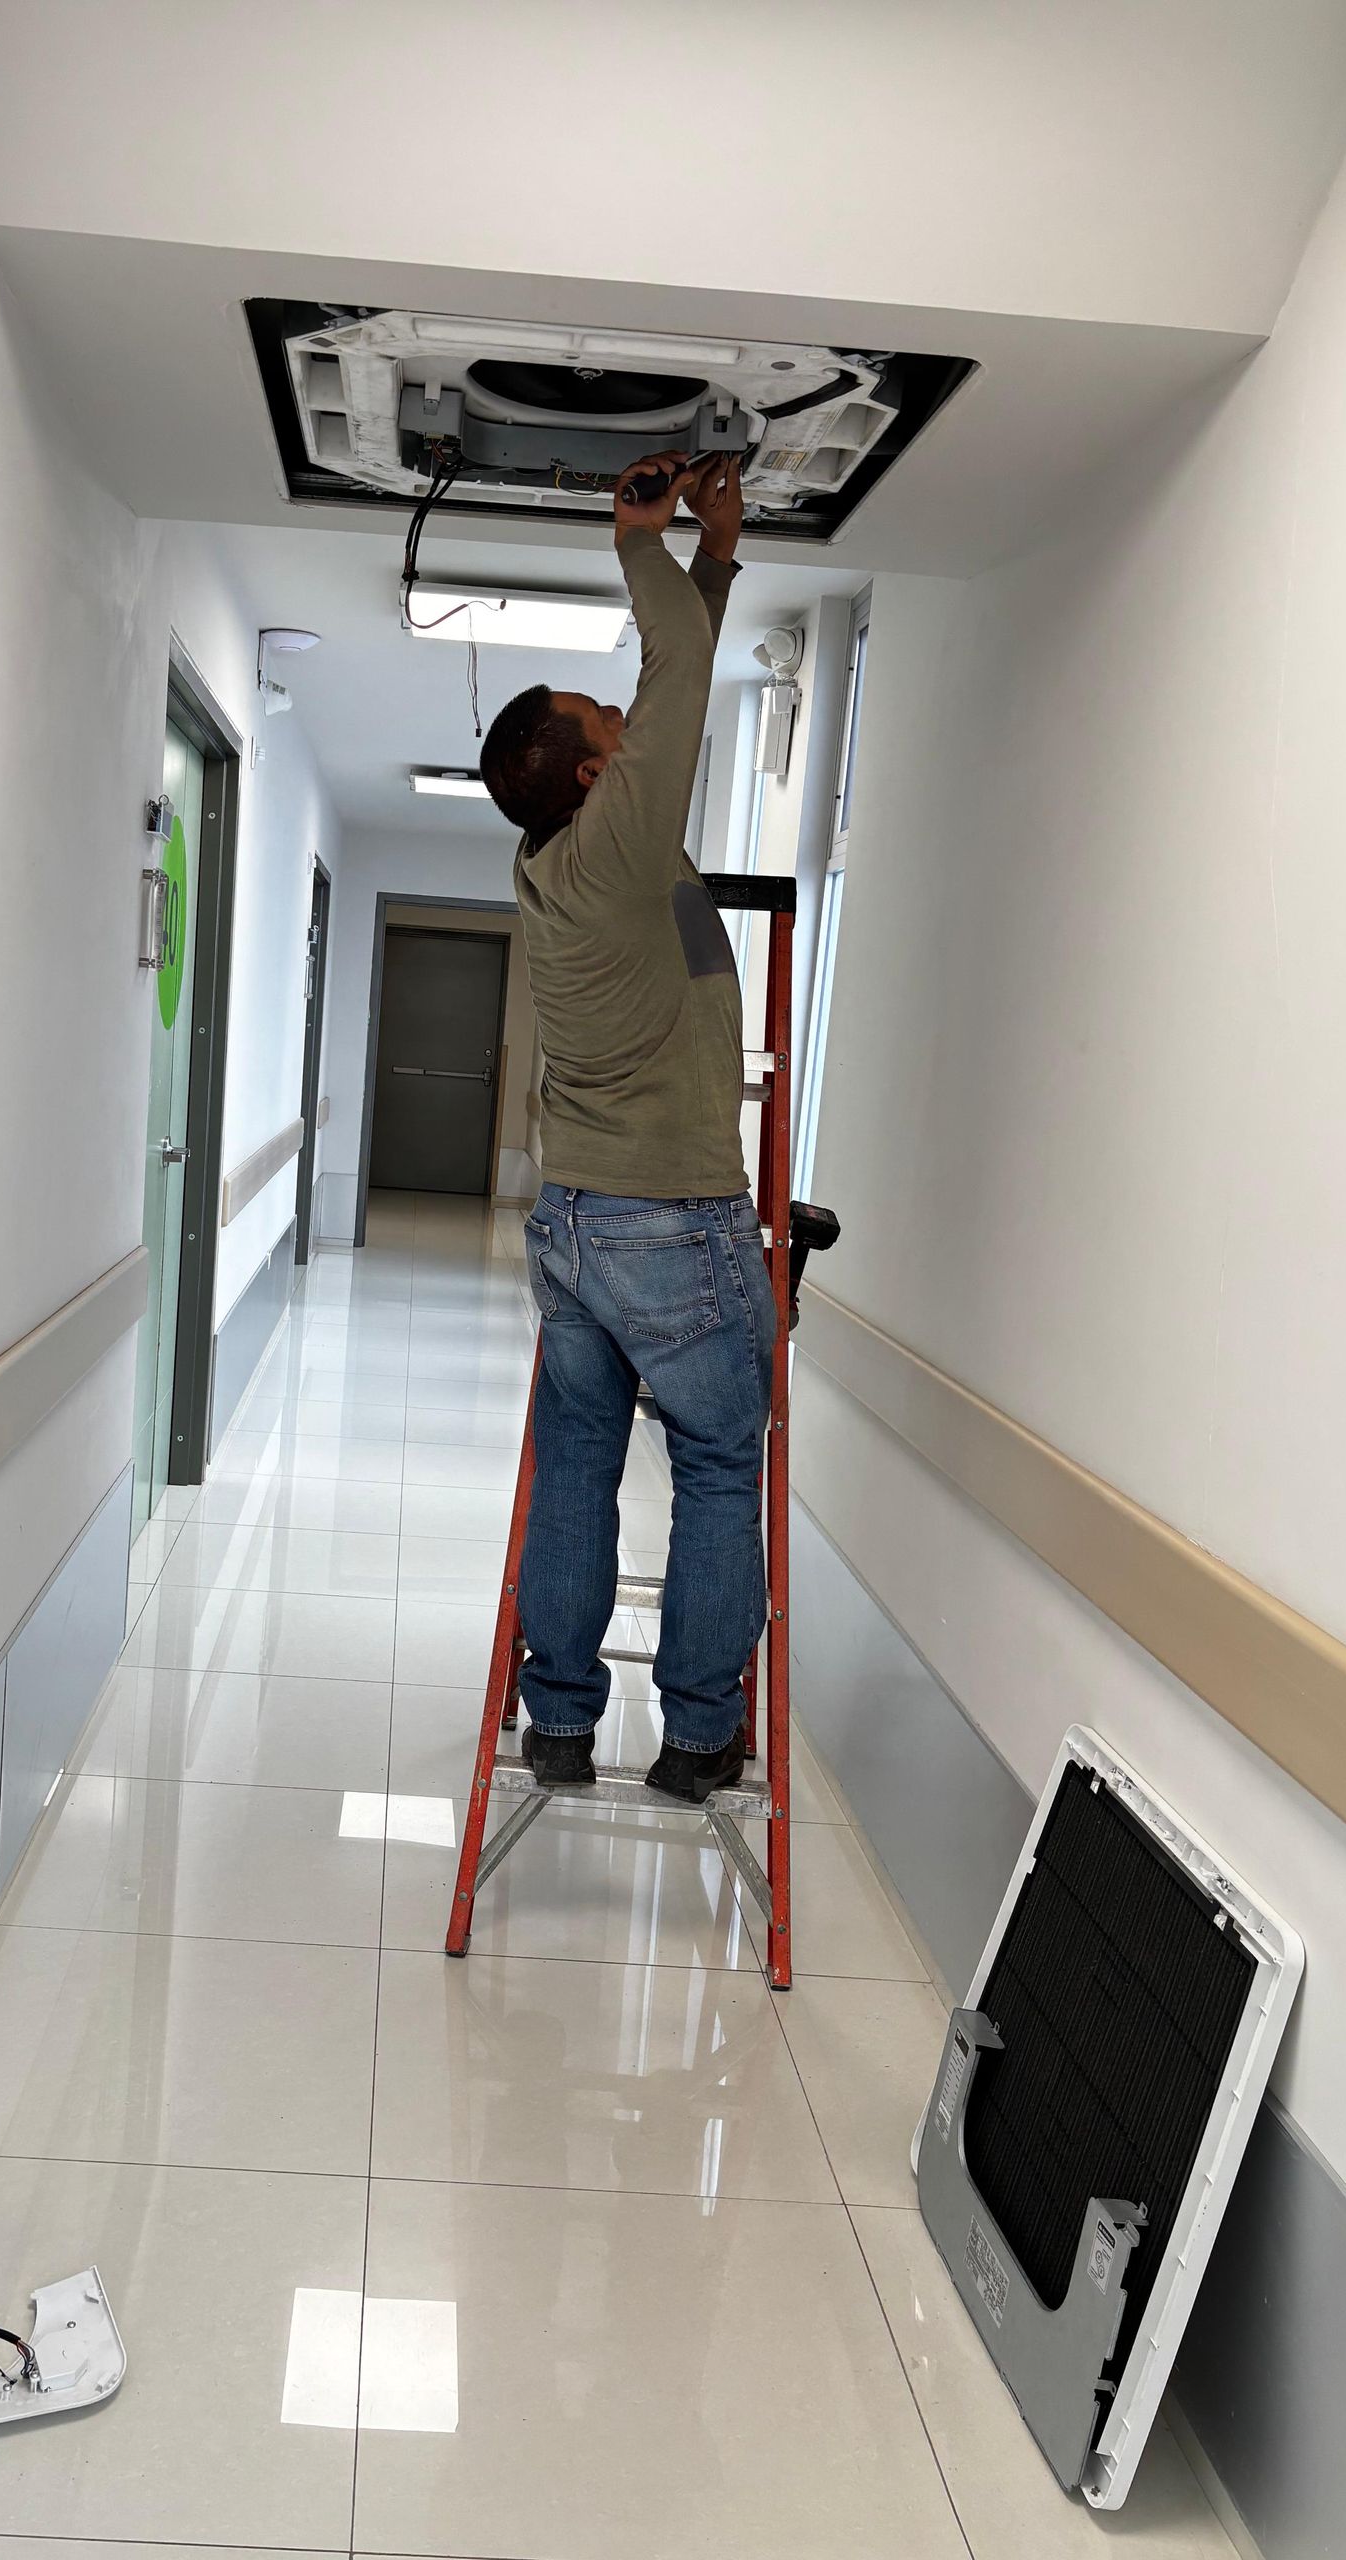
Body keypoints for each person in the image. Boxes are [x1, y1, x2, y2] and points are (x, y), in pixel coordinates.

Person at [478, 447, 772, 1805]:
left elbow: (668, 681)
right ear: (600, 778)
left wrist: (714, 555)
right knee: (717, 1464)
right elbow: (679, 682)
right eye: (607, 721)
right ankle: (701, 1734)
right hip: (670, 1218)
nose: (624, 719)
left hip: (579, 1221)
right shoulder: (608, 847)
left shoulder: (558, 860)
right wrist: (641, 542)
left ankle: (558, 1722)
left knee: (583, 1463)